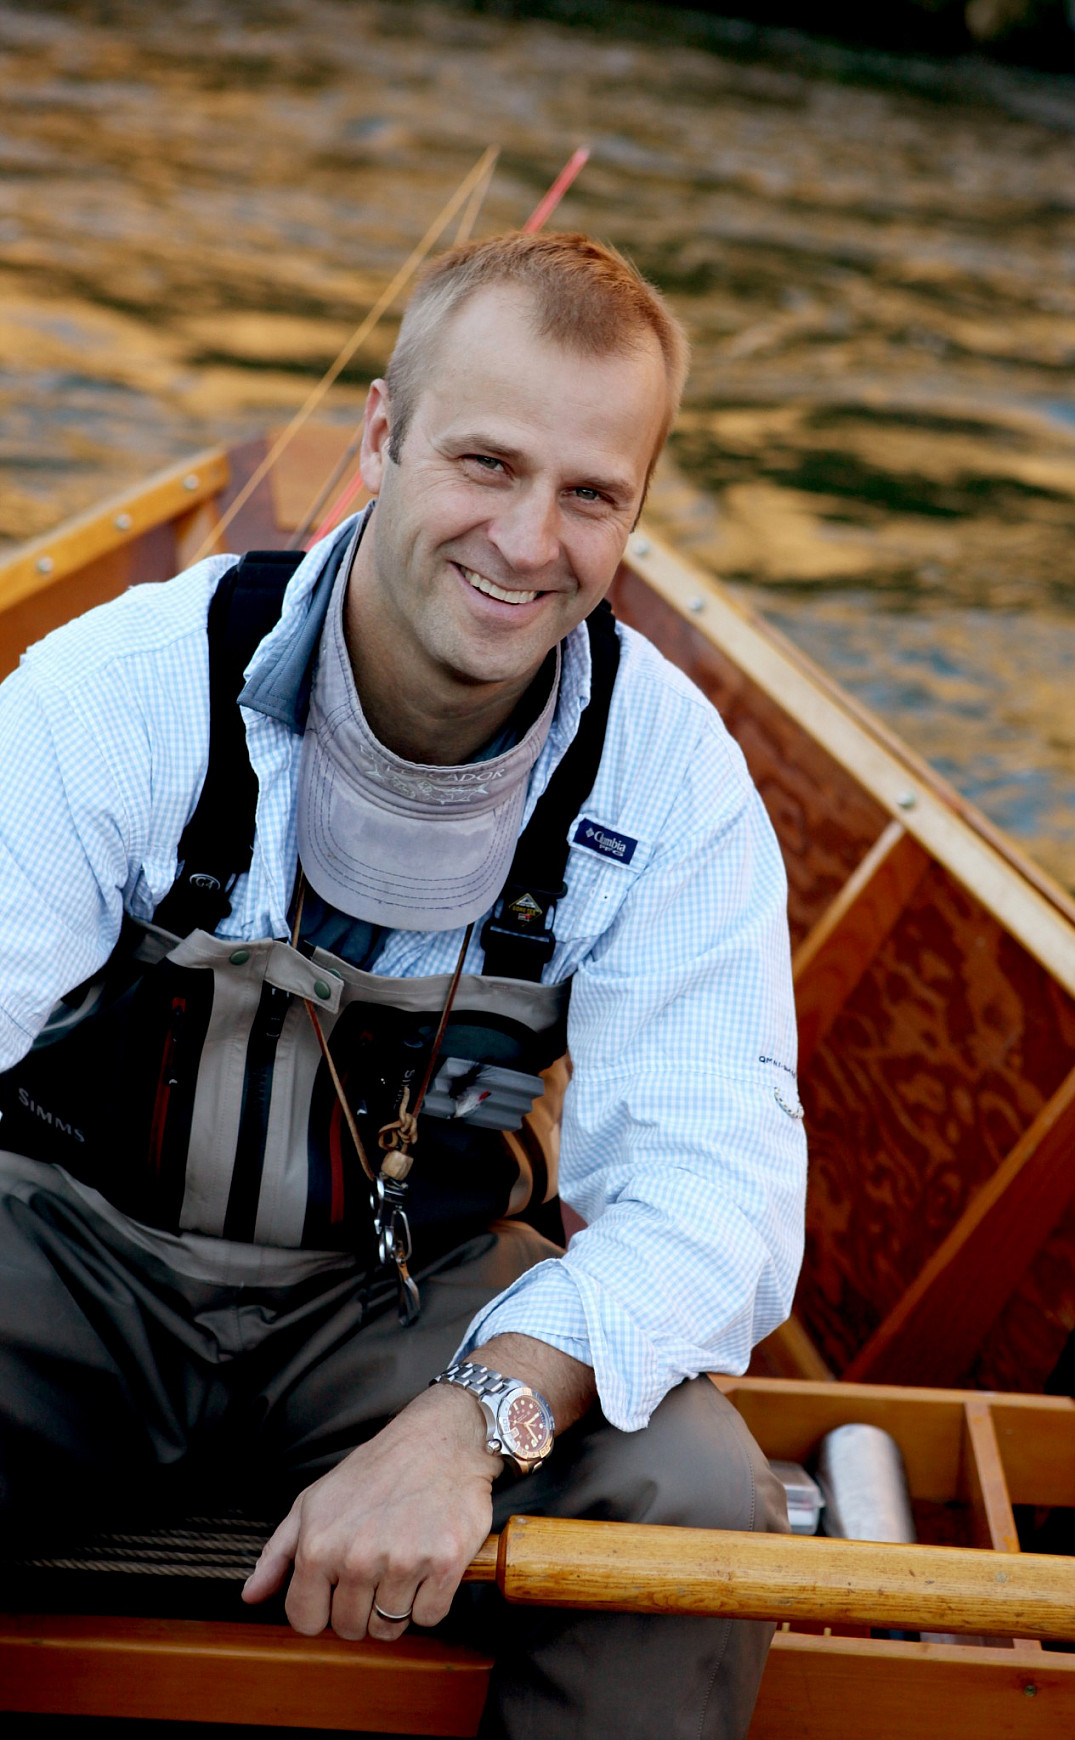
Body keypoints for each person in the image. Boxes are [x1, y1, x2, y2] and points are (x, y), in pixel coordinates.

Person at [0, 231, 806, 1738]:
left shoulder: (674, 780)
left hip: (406, 1310)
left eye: (591, 495)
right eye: (486, 464)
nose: (525, 541)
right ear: (382, 436)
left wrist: (475, 1417)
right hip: (70, 1267)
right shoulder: (121, 690)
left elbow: (719, 1201)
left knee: (693, 1497)